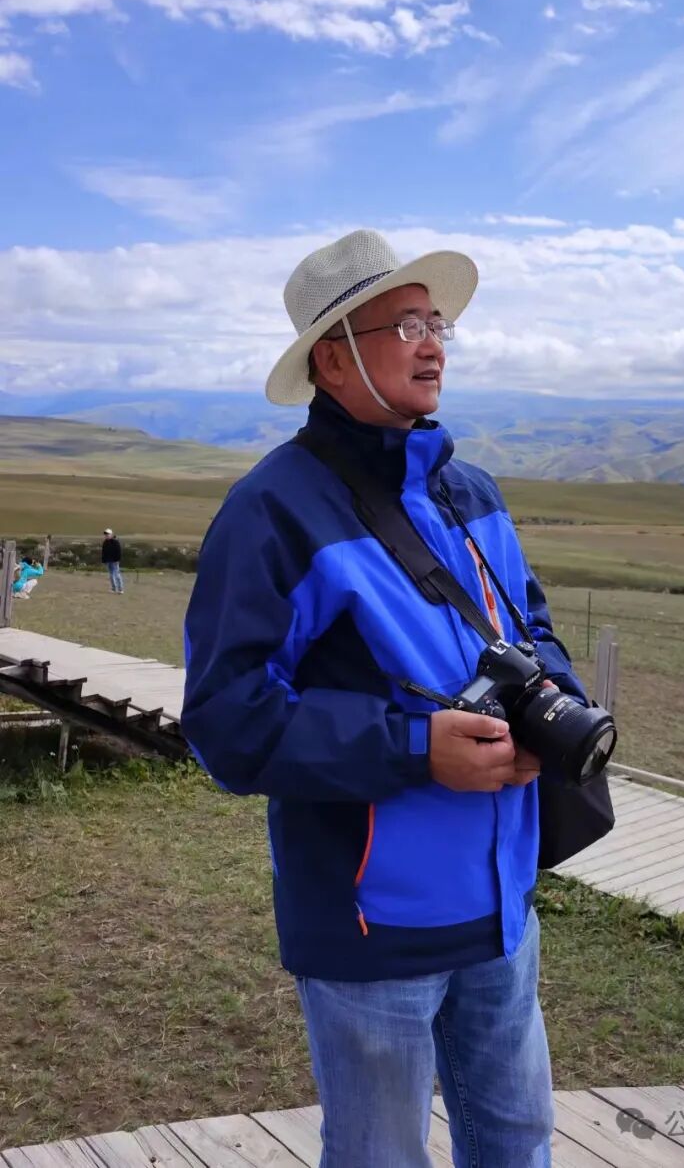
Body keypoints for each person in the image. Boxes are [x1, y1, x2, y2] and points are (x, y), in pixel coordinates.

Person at [182, 229, 587, 1168]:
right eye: (405, 326)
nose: (433, 344)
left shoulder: (471, 494)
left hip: (502, 907)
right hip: (371, 923)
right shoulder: (273, 512)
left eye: (436, 322)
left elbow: (531, 627)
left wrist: (551, 703)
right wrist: (415, 747)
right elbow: (225, 720)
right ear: (333, 359)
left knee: (518, 1140)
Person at [101, 529, 123, 593]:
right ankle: (114, 588)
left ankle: (120, 589)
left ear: (111, 534)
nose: (106, 535)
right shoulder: (105, 543)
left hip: (115, 561)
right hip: (108, 561)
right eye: (105, 534)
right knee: (111, 575)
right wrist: (104, 560)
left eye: (108, 534)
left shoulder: (115, 542)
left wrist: (117, 560)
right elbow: (104, 552)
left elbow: (118, 552)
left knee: (117, 575)